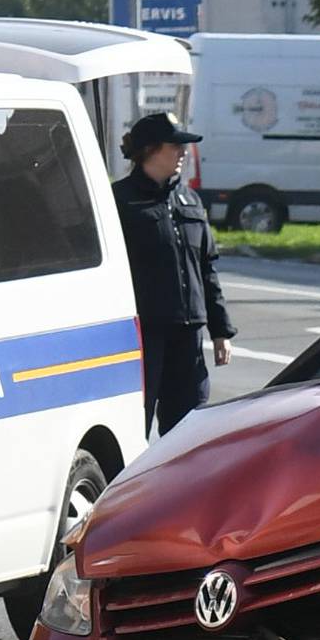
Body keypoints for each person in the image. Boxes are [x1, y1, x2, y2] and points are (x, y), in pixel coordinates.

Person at [113, 110, 232, 435]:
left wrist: (221, 331)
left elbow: (207, 267)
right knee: (134, 426)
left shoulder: (189, 199)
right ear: (150, 150)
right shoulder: (119, 201)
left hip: (188, 335)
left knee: (189, 429)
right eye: (174, 146)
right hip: (143, 335)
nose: (182, 153)